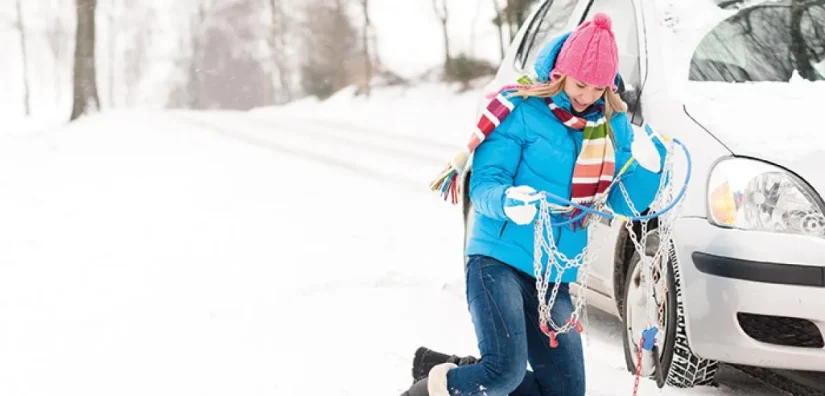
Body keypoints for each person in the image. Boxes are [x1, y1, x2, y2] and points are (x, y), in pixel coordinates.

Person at [404, 12, 668, 396]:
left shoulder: (611, 124)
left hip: (552, 277)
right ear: (560, 73)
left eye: (598, 89)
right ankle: (429, 390)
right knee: (503, 372)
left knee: (563, 391)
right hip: (498, 260)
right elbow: (485, 184)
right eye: (580, 85)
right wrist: (509, 201)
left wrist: (646, 168)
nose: (587, 97)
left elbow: (625, 201)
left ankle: (454, 371)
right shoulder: (520, 109)